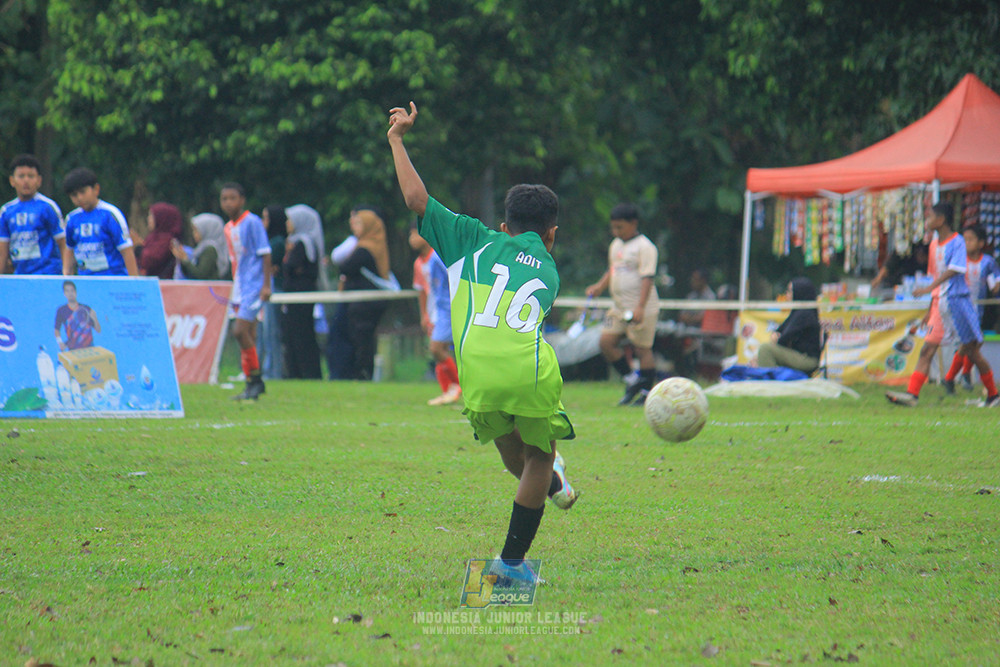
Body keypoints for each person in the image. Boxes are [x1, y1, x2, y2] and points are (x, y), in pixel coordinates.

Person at [388, 101, 578, 586]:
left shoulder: (471, 239)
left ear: (502, 223)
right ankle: (512, 564)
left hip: (475, 373)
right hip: (527, 370)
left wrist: (397, 140)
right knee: (536, 456)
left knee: (514, 459)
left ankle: (554, 484)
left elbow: (416, 198)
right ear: (550, 235)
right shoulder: (551, 270)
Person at [887, 203, 999, 408]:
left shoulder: (957, 242)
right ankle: (912, 394)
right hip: (939, 304)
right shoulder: (933, 245)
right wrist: (929, 309)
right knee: (927, 349)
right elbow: (937, 274)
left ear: (941, 220)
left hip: (957, 302)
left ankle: (993, 394)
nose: (927, 221)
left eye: (930, 217)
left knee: (972, 351)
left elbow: (954, 270)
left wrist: (929, 287)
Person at [585, 203, 660, 406]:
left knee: (642, 349)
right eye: (613, 227)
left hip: (640, 307)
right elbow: (613, 269)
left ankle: (647, 392)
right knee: (606, 342)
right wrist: (599, 287)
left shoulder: (645, 247)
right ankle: (632, 381)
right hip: (618, 307)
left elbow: (647, 278)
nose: (615, 231)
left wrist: (640, 308)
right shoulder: (616, 245)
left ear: (633, 223)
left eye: (620, 227)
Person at [326, 205, 396, 380]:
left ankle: (362, 373)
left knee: (362, 341)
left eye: (358, 223)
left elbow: (346, 267)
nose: (354, 227)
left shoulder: (366, 248)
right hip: (362, 304)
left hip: (364, 305)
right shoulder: (370, 245)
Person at [220, 182, 272, 400]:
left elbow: (265, 253)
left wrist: (266, 285)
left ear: (242, 200)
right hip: (240, 286)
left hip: (254, 285)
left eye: (232, 198)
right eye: (224, 199)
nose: (228, 203)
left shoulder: (252, 222)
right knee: (248, 334)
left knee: (240, 331)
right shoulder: (227, 228)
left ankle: (256, 380)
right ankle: (251, 383)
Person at [941, 223, 1000, 393]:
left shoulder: (988, 262)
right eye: (964, 240)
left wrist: (996, 286)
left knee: (971, 344)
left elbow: (996, 280)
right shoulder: (959, 261)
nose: (967, 243)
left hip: (978, 309)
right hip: (960, 306)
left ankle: (953, 377)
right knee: (971, 343)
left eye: (970, 239)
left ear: (981, 243)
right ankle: (960, 376)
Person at [409, 223, 460, 405]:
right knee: (438, 350)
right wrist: (424, 314)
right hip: (435, 311)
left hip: (449, 309)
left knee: (437, 348)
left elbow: (455, 278)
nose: (413, 239)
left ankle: (456, 386)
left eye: (417, 234)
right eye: (411, 235)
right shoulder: (418, 263)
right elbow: (421, 290)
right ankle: (448, 391)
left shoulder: (437, 257)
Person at [61, 167, 138, 276]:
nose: (79, 198)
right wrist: (67, 274)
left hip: (112, 280)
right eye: (74, 195)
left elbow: (126, 250)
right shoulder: (71, 219)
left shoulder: (110, 215)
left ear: (96, 189)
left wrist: (134, 282)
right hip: (86, 282)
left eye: (83, 192)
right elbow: (69, 249)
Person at [0, 154, 68, 275]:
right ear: (12, 181)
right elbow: (3, 249)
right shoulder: (6, 211)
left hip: (48, 274)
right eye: (21, 176)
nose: (26, 180)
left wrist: (66, 274)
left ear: (39, 181)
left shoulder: (47, 207)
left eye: (30, 176)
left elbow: (63, 243)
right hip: (20, 276)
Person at [281, 204, 323, 379]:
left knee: (301, 336)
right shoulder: (294, 242)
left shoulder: (303, 243)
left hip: (300, 295)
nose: (287, 224)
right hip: (295, 294)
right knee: (294, 335)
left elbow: (290, 267)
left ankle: (306, 373)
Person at [756, 277, 822, 373]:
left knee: (765, 350)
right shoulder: (797, 312)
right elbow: (780, 331)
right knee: (766, 350)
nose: (786, 294)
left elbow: (783, 339)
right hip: (798, 355)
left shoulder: (805, 314)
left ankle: (770, 383)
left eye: (790, 291)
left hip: (807, 359)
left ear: (799, 292)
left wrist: (777, 337)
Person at [257, 205, 287, 380]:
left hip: (274, 289)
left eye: (266, 218)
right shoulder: (269, 241)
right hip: (267, 287)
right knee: (264, 333)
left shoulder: (276, 242)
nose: (263, 222)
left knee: (271, 332)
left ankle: (273, 371)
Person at [171, 213, 229, 280]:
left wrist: (185, 260)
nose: (194, 234)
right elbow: (191, 273)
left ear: (207, 229)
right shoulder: (201, 248)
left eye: (196, 230)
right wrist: (182, 258)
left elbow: (200, 275)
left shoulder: (210, 249)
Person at [137, 202, 183, 279]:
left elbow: (149, 260)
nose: (148, 219)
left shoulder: (166, 240)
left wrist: (138, 247)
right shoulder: (153, 237)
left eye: (151, 216)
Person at [54, 280, 100, 351]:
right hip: (74, 350)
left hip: (90, 348)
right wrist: (60, 342)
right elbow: (57, 330)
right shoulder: (61, 311)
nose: (70, 293)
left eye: (72, 290)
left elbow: (98, 330)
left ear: (76, 292)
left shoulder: (86, 309)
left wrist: (94, 317)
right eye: (67, 291)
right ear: (64, 293)